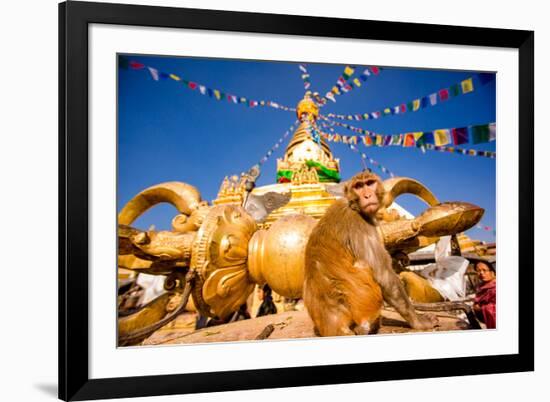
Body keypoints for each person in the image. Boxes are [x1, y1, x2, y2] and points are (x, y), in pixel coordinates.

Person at [473, 261, 496, 329]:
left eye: (484, 270)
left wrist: (480, 308)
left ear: (492, 272)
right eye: (478, 271)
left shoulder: (496, 287)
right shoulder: (481, 287)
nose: (481, 273)